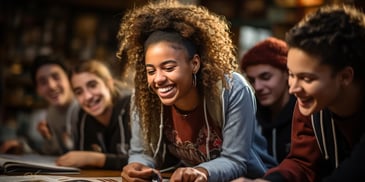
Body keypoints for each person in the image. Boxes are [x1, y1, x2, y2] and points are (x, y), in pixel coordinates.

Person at [116, 1, 277, 181]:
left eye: (168, 68)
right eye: (151, 71)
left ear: (194, 64)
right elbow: (142, 152)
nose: (158, 79)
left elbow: (235, 160)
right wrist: (137, 167)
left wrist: (201, 171)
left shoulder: (231, 89)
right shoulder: (145, 96)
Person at [237, 4, 365, 182]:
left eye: (306, 78)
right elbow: (302, 163)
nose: (293, 88)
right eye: (291, 74)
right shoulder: (311, 105)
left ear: (345, 76)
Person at [56, 60, 132, 170]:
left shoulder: (131, 107)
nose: (87, 96)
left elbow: (145, 161)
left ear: (108, 83)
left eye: (92, 85)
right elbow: (80, 159)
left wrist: (96, 159)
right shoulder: (83, 116)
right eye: (79, 92)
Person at [240, 37, 296, 163]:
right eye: (252, 80)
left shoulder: (305, 114)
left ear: (287, 72)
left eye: (266, 77)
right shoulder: (249, 114)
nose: (257, 87)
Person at [30, 55, 79, 155]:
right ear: (38, 90)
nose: (51, 86)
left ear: (69, 79)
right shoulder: (51, 114)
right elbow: (57, 153)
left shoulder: (86, 107)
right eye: (43, 82)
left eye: (56, 77)